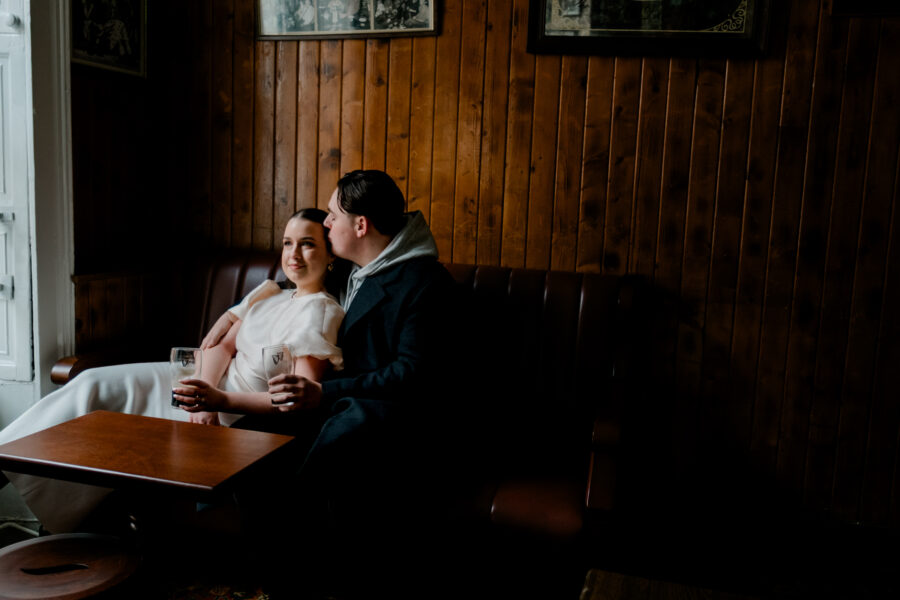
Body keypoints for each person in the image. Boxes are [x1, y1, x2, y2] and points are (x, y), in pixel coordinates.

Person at [0, 208, 344, 534]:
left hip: (236, 410)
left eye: (308, 244)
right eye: (287, 243)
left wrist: (218, 402)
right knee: (92, 383)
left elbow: (297, 400)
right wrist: (201, 391)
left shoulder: (320, 312)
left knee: (106, 419)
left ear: (331, 255)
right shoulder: (270, 296)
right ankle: (7, 454)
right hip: (202, 386)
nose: (293, 253)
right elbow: (222, 348)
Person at [203, 170, 461, 595]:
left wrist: (325, 392)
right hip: (332, 400)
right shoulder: (350, 272)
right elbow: (291, 282)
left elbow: (415, 373)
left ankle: (307, 577)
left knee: (322, 458)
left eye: (333, 215)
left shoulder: (425, 284)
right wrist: (235, 312)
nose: (325, 224)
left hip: (389, 412)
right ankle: (258, 569)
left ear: (361, 225)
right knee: (252, 441)